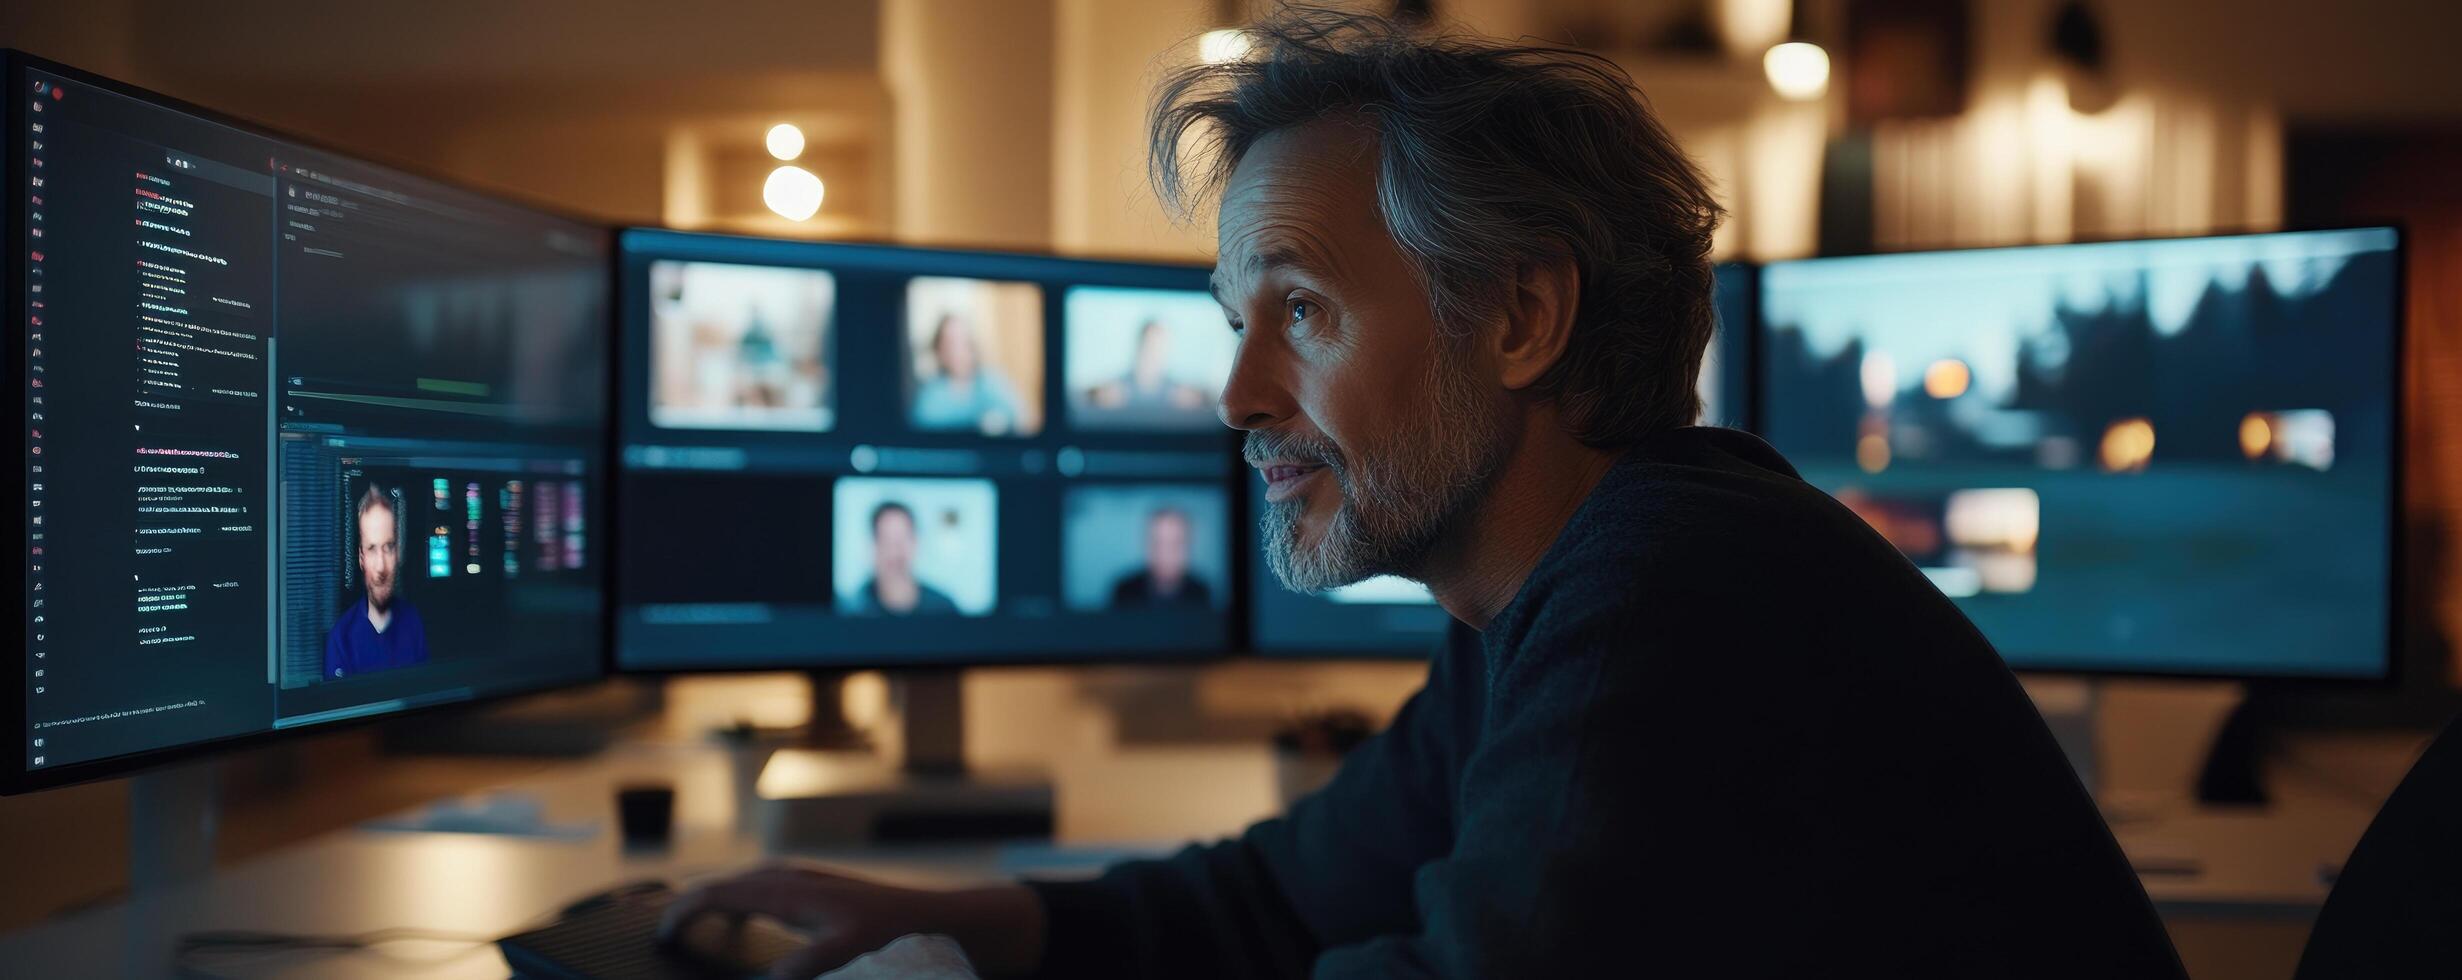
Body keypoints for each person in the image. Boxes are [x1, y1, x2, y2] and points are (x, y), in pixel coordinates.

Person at [664, 11, 2184, 979]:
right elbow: (1276, 906)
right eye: (1234, 323)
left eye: (1302, 311)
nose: (1235, 394)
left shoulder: (1678, 601)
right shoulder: (1550, 593)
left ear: (1520, 318)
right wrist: (945, 927)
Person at [322, 484, 428, 680]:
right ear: (361, 558)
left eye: (388, 547)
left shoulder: (413, 622)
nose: (381, 567)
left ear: (397, 554)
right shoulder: (341, 638)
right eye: (371, 549)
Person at [911, 312, 1027, 435]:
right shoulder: (931, 393)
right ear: (939, 350)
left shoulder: (992, 381)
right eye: (949, 343)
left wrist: (1000, 421)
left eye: (962, 342)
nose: (956, 351)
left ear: (972, 345)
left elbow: (1022, 419)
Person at [1082, 319, 1213, 424]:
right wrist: (1098, 397)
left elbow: (1209, 400)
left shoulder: (1179, 392)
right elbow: (1086, 399)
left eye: (1160, 346)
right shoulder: (1117, 388)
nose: (1155, 351)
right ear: (1140, 345)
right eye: (1151, 344)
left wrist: (1197, 401)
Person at [845, 500, 960, 616]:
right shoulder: (852, 609)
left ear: (915, 543)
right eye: (887, 540)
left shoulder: (944, 608)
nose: (895, 551)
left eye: (901, 540)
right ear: (873, 546)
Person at [1107, 506, 1213, 609]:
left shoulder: (1201, 594)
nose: (1165, 554)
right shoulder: (1124, 592)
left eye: (1175, 544)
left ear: (1189, 546)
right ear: (1146, 544)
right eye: (1157, 543)